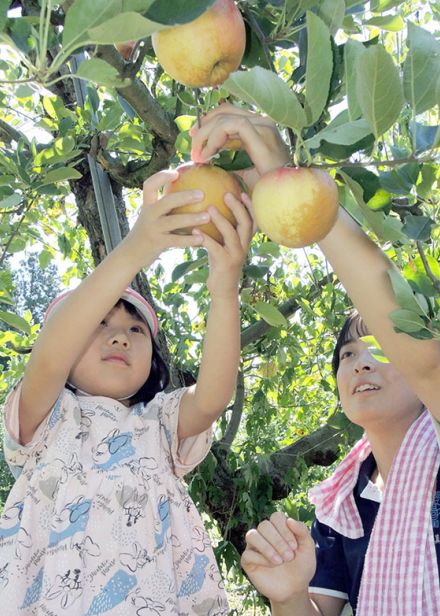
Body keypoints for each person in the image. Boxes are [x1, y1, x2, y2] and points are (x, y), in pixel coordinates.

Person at [191, 104, 440, 615]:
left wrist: (294, 181)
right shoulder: (341, 504)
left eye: (381, 348)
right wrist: (287, 595)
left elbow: (424, 357)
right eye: (348, 354)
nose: (362, 363)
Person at [0, 167, 253, 615]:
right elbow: (50, 356)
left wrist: (224, 287)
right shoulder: (48, 416)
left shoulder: (158, 422)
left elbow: (213, 395)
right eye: (101, 323)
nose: (120, 337)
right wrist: (139, 245)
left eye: (136, 330)